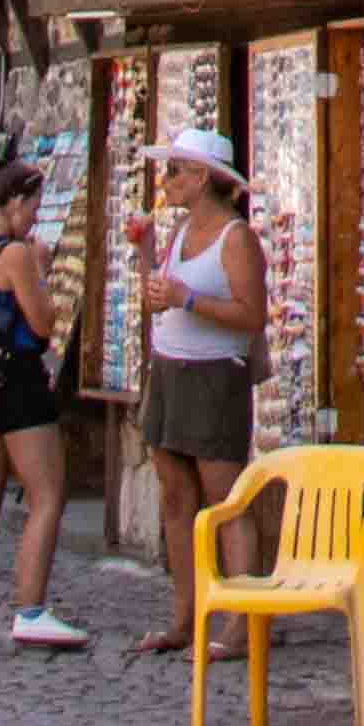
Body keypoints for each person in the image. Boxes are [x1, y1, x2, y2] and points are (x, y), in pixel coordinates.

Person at [0, 153, 88, 654]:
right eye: (33, 206)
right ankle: (30, 609)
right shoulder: (14, 255)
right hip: (17, 381)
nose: (35, 217)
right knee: (47, 494)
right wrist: (42, 269)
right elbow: (43, 323)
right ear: (13, 202)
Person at [131, 133, 264, 661]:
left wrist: (189, 299)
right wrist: (145, 253)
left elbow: (251, 315)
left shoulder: (236, 238)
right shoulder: (180, 230)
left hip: (214, 374)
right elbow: (160, 299)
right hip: (169, 367)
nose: (166, 182)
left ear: (202, 177)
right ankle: (184, 617)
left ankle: (240, 622)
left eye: (175, 171)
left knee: (225, 500)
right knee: (176, 498)